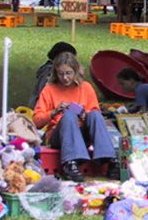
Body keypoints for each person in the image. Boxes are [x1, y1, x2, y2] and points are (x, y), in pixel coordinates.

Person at [32, 52, 116, 182]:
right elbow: (36, 122)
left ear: (75, 72)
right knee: (69, 115)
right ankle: (70, 163)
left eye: (68, 73)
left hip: (82, 133)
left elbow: (95, 115)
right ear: (56, 73)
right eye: (61, 74)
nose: (65, 78)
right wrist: (54, 112)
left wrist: (83, 114)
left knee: (94, 114)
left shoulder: (86, 88)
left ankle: (109, 160)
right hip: (59, 135)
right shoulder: (49, 89)